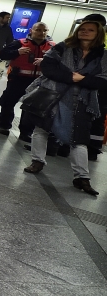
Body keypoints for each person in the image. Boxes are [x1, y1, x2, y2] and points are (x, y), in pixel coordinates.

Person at [22, 15, 107, 196]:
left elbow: (104, 80)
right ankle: (37, 161)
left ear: (98, 33)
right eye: (83, 29)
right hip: (52, 94)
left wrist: (82, 79)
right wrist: (70, 78)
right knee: (41, 129)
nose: (85, 31)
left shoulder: (103, 56)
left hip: (82, 101)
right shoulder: (63, 47)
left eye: (91, 30)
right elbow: (48, 67)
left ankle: (81, 177)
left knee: (79, 138)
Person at [0, 22, 52, 139]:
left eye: (44, 30)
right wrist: (17, 52)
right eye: (38, 30)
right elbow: (3, 54)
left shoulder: (52, 47)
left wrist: (46, 60)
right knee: (8, 102)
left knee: (31, 108)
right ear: (31, 30)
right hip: (18, 79)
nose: (41, 33)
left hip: (39, 83)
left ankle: (26, 132)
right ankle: (4, 125)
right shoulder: (19, 43)